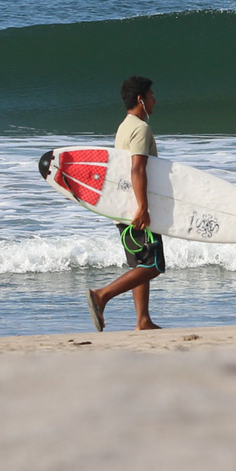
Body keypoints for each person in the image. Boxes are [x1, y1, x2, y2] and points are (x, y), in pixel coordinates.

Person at [85, 76, 163, 332]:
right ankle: (102, 295)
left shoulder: (124, 127)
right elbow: (137, 169)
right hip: (136, 209)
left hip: (123, 207)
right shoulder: (141, 129)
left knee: (140, 264)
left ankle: (143, 320)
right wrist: (143, 207)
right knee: (153, 266)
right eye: (151, 95)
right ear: (140, 99)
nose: (155, 99)